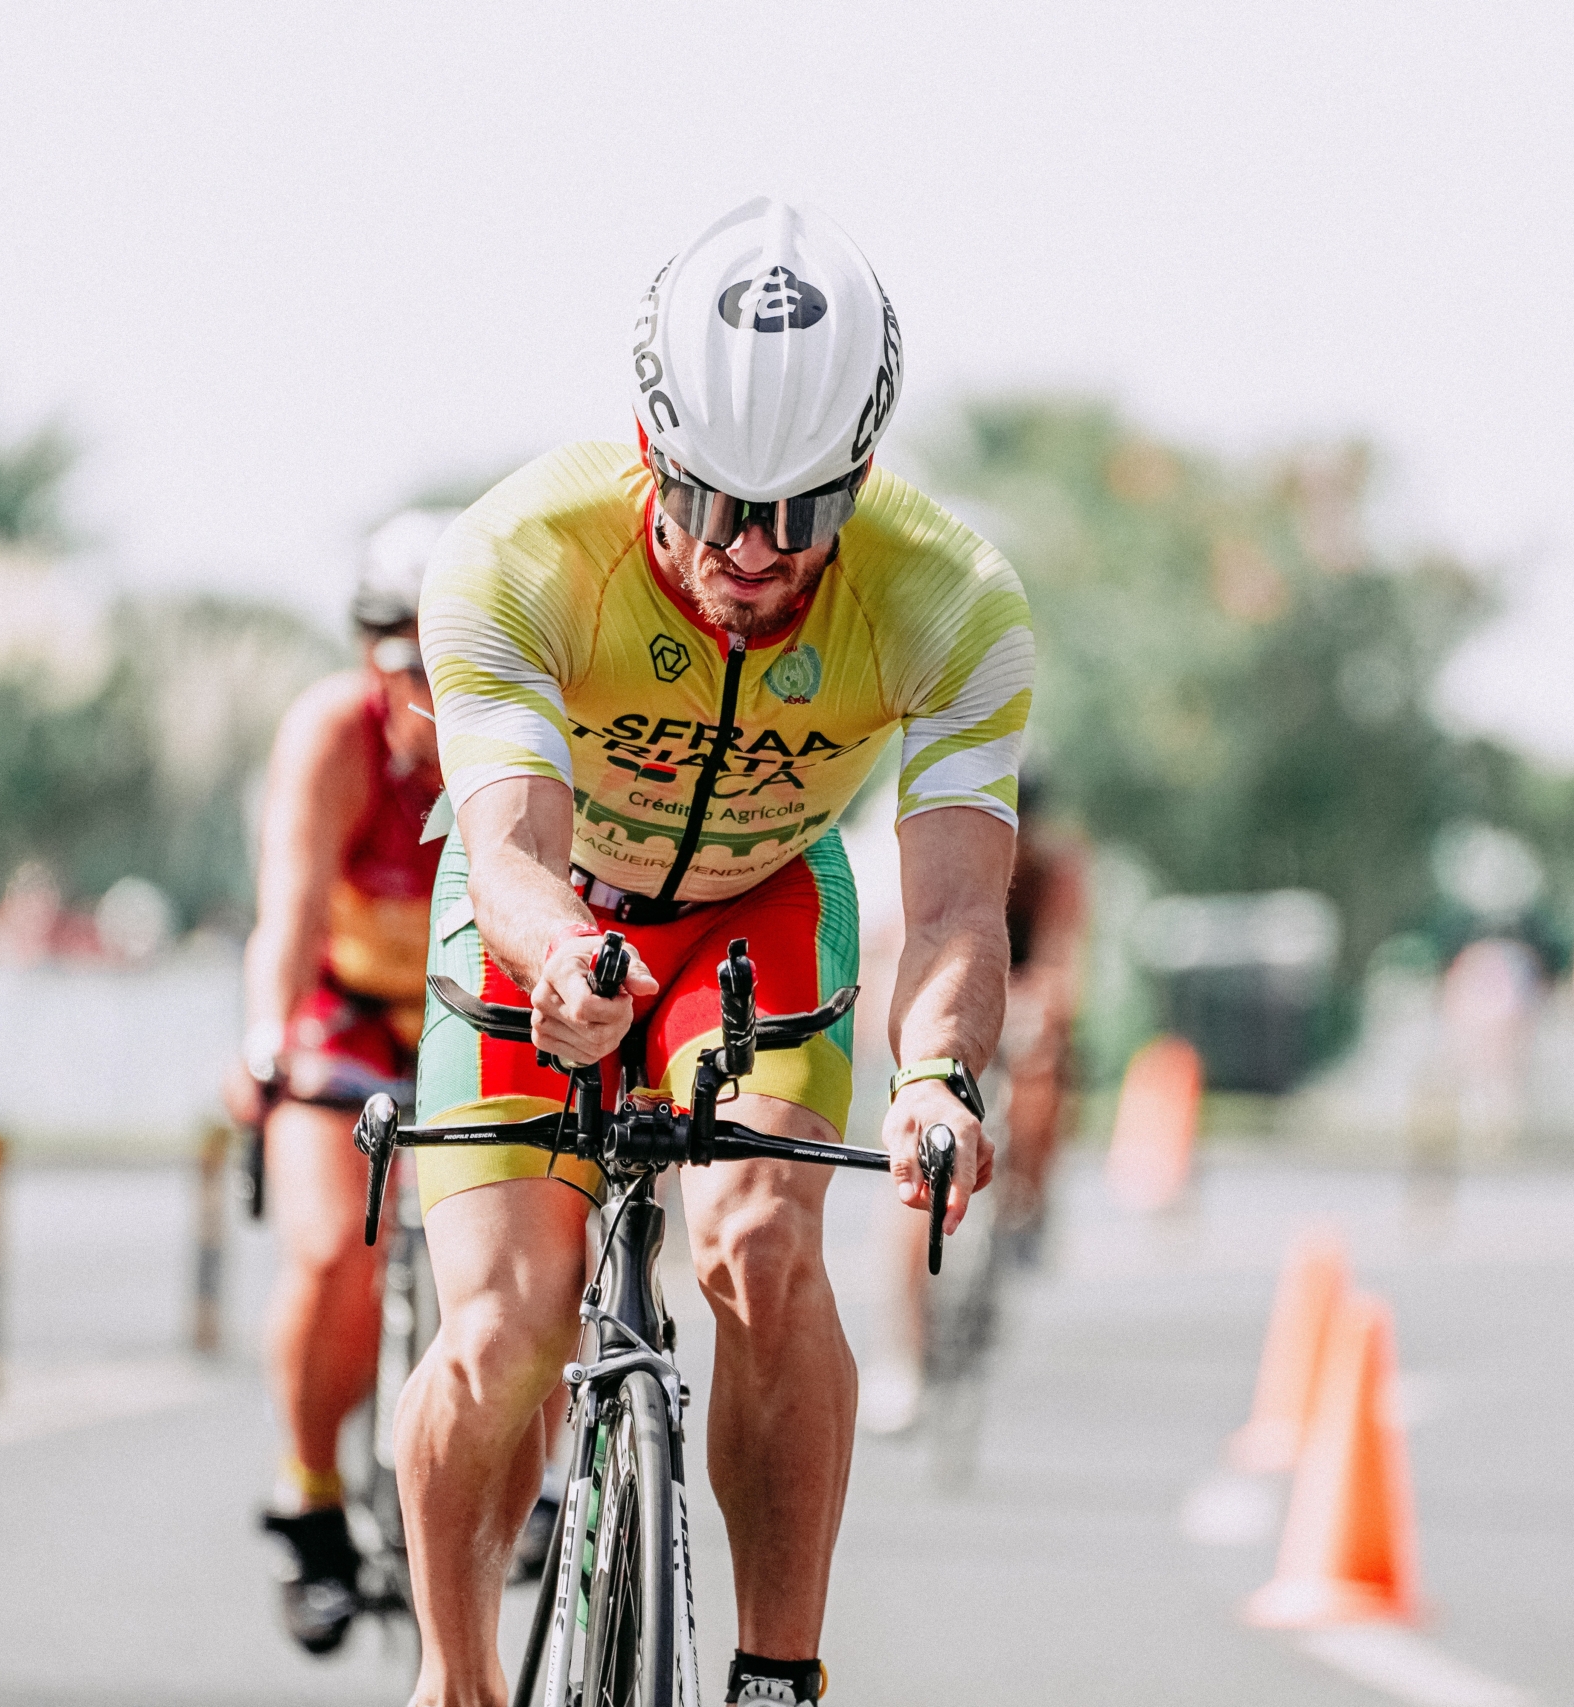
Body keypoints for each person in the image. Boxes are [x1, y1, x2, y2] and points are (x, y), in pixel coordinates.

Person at [405, 198, 1031, 1707]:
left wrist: (939, 1075)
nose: (752, 553)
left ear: (863, 471)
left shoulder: (951, 594)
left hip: (762, 904)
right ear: (647, 441)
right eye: (711, 501)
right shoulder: (516, 550)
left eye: (802, 515)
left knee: (758, 1243)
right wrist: (560, 959)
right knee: (500, 1326)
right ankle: (457, 1675)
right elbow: (508, 854)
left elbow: (950, 910)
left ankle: (775, 1668)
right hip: (546, 904)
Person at [224, 509, 452, 1654]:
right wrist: (267, 1040)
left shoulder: (520, 728)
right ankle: (310, 1494)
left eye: (450, 658)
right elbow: (291, 908)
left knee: (547, 1239)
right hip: (347, 1011)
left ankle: (546, 1463)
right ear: (368, 654)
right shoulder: (333, 735)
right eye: (402, 658)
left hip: (472, 1012)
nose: (426, 691)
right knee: (330, 1253)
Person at [859, 760, 1087, 1435]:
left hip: (1016, 990)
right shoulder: (940, 843)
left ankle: (1028, 1202)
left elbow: (1063, 962)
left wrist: (1041, 1009)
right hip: (939, 997)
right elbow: (907, 951)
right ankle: (904, 1352)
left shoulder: (1059, 870)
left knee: (1049, 1065)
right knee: (914, 1184)